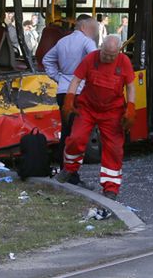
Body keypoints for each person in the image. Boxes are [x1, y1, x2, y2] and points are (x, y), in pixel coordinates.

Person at [56, 36, 136, 199]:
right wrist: (69, 99)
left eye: (112, 56)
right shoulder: (91, 58)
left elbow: (130, 86)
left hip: (113, 111)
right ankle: (69, 168)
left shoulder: (124, 61)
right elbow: (76, 80)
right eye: (105, 54)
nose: (108, 58)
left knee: (113, 149)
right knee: (76, 139)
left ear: (118, 52)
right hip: (87, 108)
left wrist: (131, 107)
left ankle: (111, 188)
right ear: (101, 48)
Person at [42, 15, 98, 173]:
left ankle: (63, 168)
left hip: (63, 91)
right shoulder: (87, 42)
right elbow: (96, 60)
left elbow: (47, 60)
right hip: (79, 92)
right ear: (83, 27)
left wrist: (58, 77)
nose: (94, 33)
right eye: (92, 29)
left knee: (66, 130)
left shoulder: (62, 41)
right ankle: (71, 174)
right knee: (76, 133)